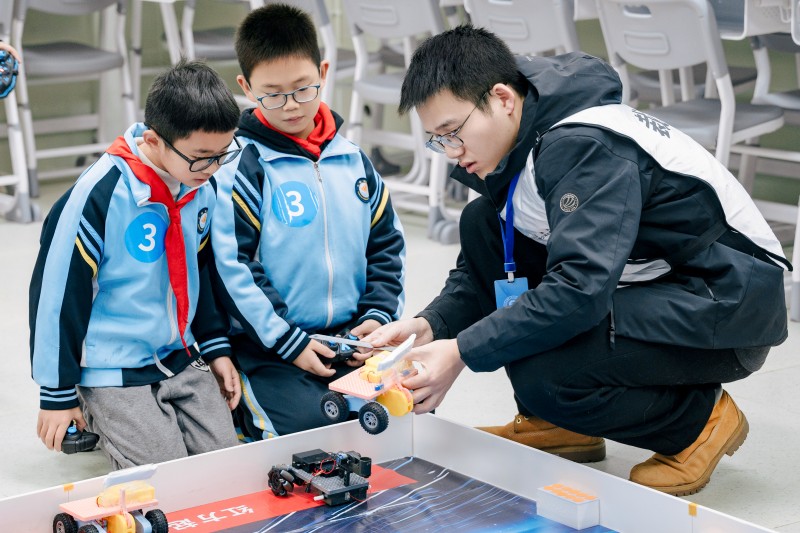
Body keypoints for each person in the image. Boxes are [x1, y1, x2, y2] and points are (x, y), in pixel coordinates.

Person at [365, 25, 790, 496]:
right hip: (661, 280)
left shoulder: (583, 145)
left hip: (727, 300)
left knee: (547, 371)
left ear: (503, 99)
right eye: (437, 139)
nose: (451, 152)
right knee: (482, 222)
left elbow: (579, 291)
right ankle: (558, 423)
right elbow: (492, 261)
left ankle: (699, 422)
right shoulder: (521, 133)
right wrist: (431, 326)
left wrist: (460, 352)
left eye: (453, 132)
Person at [30, 59, 243, 469]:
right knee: (161, 474)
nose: (214, 168)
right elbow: (57, 296)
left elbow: (200, 271)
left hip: (179, 354)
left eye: (223, 154)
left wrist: (215, 346)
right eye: (201, 157)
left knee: (224, 466)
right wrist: (55, 394)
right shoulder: (98, 195)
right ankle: (87, 403)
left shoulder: (202, 186)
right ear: (154, 140)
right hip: (113, 365)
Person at [209, 4, 406, 440]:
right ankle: (240, 409)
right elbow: (233, 266)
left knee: (402, 414)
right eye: (272, 94)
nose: (291, 106)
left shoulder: (353, 160)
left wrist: (377, 317)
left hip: (350, 340)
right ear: (246, 87)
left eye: (303, 89)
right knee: (312, 434)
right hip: (272, 345)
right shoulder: (242, 166)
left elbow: (386, 246)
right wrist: (288, 341)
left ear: (323, 72)